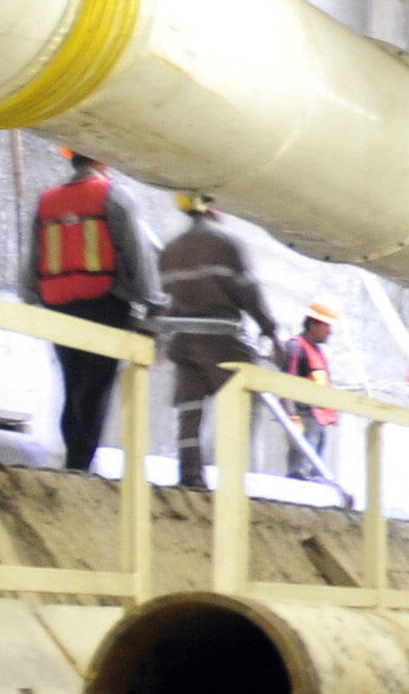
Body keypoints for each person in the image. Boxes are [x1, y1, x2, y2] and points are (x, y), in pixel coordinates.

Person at [24, 152, 155, 472]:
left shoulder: (47, 201)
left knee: (73, 381)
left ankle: (73, 456)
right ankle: (81, 462)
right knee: (96, 387)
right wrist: (151, 300)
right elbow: (136, 253)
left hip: (58, 305)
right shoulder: (114, 196)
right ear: (103, 161)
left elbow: (33, 258)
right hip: (105, 305)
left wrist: (31, 299)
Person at [155, 193, 282, 491]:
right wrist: (270, 330)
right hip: (223, 340)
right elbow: (248, 294)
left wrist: (160, 342)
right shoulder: (226, 245)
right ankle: (232, 476)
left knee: (189, 411)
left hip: (184, 341)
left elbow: (164, 301)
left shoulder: (170, 251)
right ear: (210, 208)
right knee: (242, 402)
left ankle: (190, 476)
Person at [275, 300, 340, 481]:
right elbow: (287, 381)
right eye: (326, 326)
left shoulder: (317, 351)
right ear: (313, 324)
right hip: (303, 416)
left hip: (317, 418)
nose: (329, 332)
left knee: (315, 470)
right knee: (300, 470)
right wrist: (291, 416)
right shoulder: (296, 347)